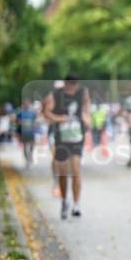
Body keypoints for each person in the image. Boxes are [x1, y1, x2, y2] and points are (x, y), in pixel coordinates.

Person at [41, 74, 92, 219]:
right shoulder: (55, 96)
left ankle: (76, 204)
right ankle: (64, 201)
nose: (72, 87)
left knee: (76, 170)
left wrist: (87, 118)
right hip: (61, 138)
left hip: (77, 138)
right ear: (65, 84)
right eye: (69, 84)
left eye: (74, 84)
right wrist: (59, 119)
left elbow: (87, 111)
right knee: (63, 172)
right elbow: (46, 112)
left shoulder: (83, 94)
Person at [17, 100, 38, 168]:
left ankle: (30, 155)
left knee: (32, 145)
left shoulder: (32, 112)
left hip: (31, 132)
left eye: (27, 103)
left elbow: (36, 121)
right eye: (25, 104)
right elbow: (17, 121)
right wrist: (21, 123)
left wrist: (34, 125)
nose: (26, 105)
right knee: (25, 146)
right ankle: (27, 160)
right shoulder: (20, 112)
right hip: (24, 132)